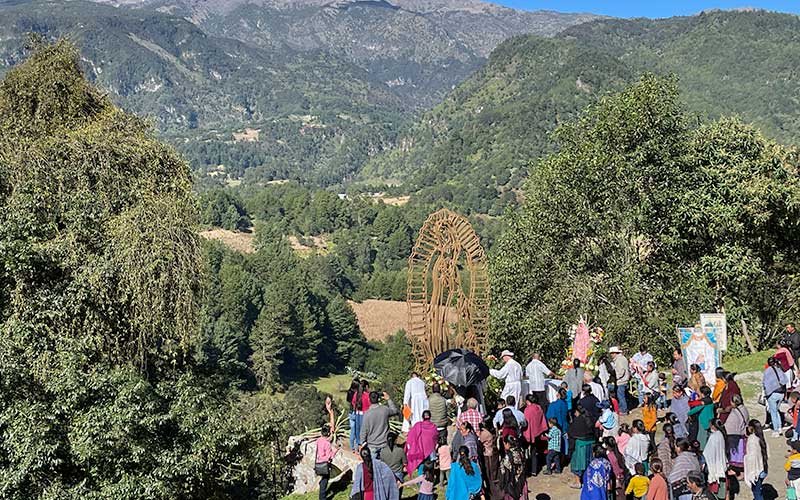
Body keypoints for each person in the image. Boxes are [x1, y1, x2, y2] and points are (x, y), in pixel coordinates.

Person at [360, 391, 399, 459]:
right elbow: (394, 410)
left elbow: (364, 430)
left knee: (373, 466)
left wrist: (362, 443)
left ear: (369, 400)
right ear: (379, 399)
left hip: (372, 445)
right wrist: (388, 399)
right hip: (384, 443)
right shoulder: (384, 410)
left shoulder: (367, 414)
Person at [316, 398, 338, 500]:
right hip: (324, 464)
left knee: (323, 479)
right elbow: (329, 456)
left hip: (318, 463)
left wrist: (330, 411)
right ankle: (322, 497)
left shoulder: (319, 440)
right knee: (325, 480)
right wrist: (335, 451)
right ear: (328, 433)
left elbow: (331, 427)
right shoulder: (327, 443)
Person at [405, 410, 438, 476]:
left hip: (420, 450)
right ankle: (430, 481)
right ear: (430, 417)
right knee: (430, 466)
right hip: (431, 450)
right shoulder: (434, 427)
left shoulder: (418, 425)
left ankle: (420, 482)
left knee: (421, 465)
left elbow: (411, 436)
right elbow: (436, 438)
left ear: (422, 417)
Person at [569, 405, 596, 488]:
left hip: (580, 445)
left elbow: (572, 432)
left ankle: (577, 482)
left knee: (578, 464)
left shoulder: (577, 420)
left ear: (577, 412)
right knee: (588, 462)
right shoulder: (589, 418)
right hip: (590, 444)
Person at [522, 394, 547, 476]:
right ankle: (534, 470)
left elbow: (525, 422)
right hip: (537, 433)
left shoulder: (527, 410)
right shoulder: (538, 407)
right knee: (534, 452)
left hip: (528, 433)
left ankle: (526, 469)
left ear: (528, 401)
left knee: (525, 452)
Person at [763, 356, 788, 436]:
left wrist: (766, 394)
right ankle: (780, 427)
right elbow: (785, 380)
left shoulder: (767, 371)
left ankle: (776, 430)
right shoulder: (779, 369)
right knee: (776, 410)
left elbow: (765, 384)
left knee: (773, 412)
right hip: (781, 393)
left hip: (772, 394)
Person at [744, 419, 768, 500]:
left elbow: (752, 458)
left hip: (756, 470)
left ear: (751, 428)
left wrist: (751, 474)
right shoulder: (761, 437)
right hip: (763, 468)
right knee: (758, 490)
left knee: (757, 492)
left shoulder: (752, 440)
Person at [703, 419, 727, 498]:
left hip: (714, 466)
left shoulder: (713, 437)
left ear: (713, 426)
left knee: (713, 492)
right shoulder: (721, 434)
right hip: (720, 464)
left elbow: (707, 453)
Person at [723, 394, 748, 469]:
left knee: (733, 454)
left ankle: (734, 469)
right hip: (741, 434)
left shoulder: (734, 413)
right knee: (739, 454)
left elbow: (728, 426)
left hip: (732, 434)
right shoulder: (744, 409)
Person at [479, 421, 502, 500]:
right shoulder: (492, 431)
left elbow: (479, 440)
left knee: (490, 475)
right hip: (493, 454)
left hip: (488, 455)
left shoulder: (485, 433)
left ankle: (494, 494)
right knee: (493, 474)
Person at [500, 435, 527, 500]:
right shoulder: (521, 452)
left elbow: (504, 473)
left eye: (505, 443)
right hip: (522, 482)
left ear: (508, 444)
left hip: (512, 485)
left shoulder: (508, 456)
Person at [687, 386, 713, 450]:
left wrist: (688, 413)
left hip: (703, 421)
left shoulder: (703, 402)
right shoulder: (710, 400)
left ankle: (702, 450)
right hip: (711, 419)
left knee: (702, 437)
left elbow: (696, 409)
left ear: (702, 393)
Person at [546, 388, 569, 454]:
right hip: (564, 427)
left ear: (558, 394)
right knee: (563, 445)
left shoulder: (553, 405)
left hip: (555, 427)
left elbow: (548, 416)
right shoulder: (565, 404)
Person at [609, 346, 630, 415]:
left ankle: (624, 410)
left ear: (615, 353)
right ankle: (622, 408)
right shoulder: (621, 359)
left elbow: (621, 371)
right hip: (623, 380)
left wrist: (615, 377)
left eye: (611, 353)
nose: (611, 355)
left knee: (621, 396)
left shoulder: (619, 360)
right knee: (621, 395)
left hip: (621, 381)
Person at [352, 379, 371, 449]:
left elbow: (353, 403)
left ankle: (357, 447)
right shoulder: (367, 396)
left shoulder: (356, 394)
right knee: (364, 432)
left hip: (357, 414)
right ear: (366, 387)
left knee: (358, 431)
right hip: (365, 414)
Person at [347, 379, 361, 450]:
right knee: (357, 430)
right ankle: (356, 447)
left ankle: (351, 446)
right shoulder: (357, 394)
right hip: (356, 412)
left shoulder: (349, 392)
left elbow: (348, 401)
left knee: (352, 430)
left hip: (350, 412)